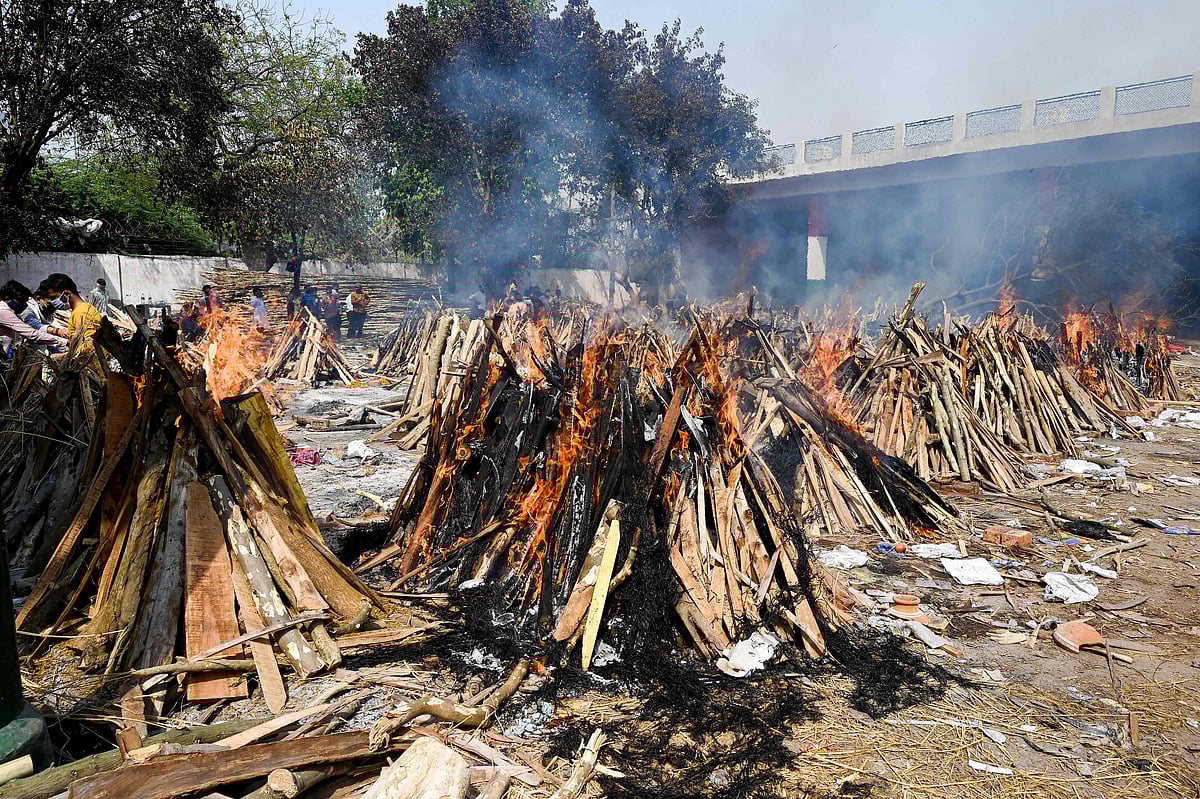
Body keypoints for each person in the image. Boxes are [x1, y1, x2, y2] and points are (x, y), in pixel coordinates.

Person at [39, 273, 102, 364]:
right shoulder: (78, 311)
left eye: (53, 297)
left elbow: (92, 346)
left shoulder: (83, 313)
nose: (51, 302)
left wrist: (63, 356)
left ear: (66, 294)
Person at [0, 280, 67, 355]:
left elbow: (29, 338)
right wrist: (63, 340)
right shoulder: (3, 311)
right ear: (7, 298)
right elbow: (32, 334)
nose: (24, 305)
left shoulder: (15, 312)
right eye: (21, 301)